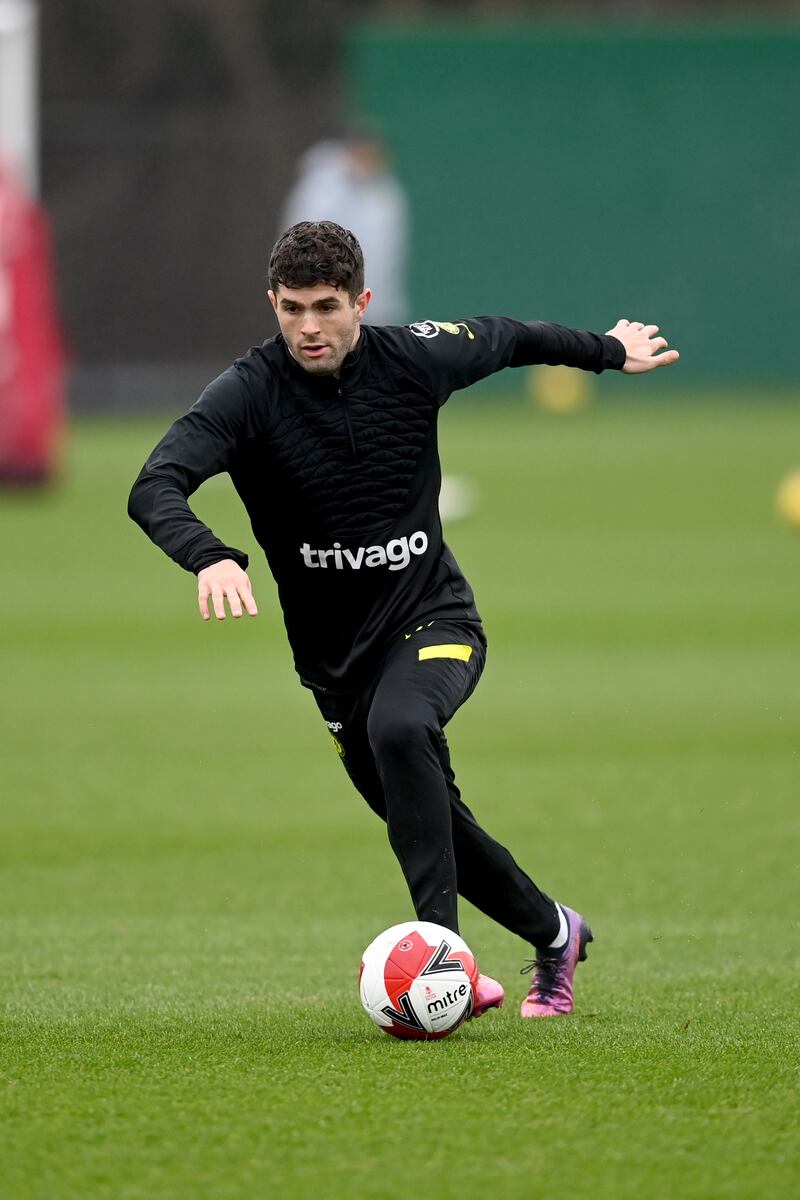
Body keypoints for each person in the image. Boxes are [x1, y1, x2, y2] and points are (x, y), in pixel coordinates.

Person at [128, 221, 679, 1021]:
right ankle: (555, 931)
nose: (308, 327)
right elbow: (155, 484)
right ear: (271, 304)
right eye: (291, 309)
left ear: (363, 301)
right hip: (332, 665)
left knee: (400, 730)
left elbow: (510, 338)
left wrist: (606, 349)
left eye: (326, 306)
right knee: (430, 820)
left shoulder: (415, 356)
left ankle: (441, 965)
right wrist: (212, 555)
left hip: (433, 617)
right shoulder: (247, 393)